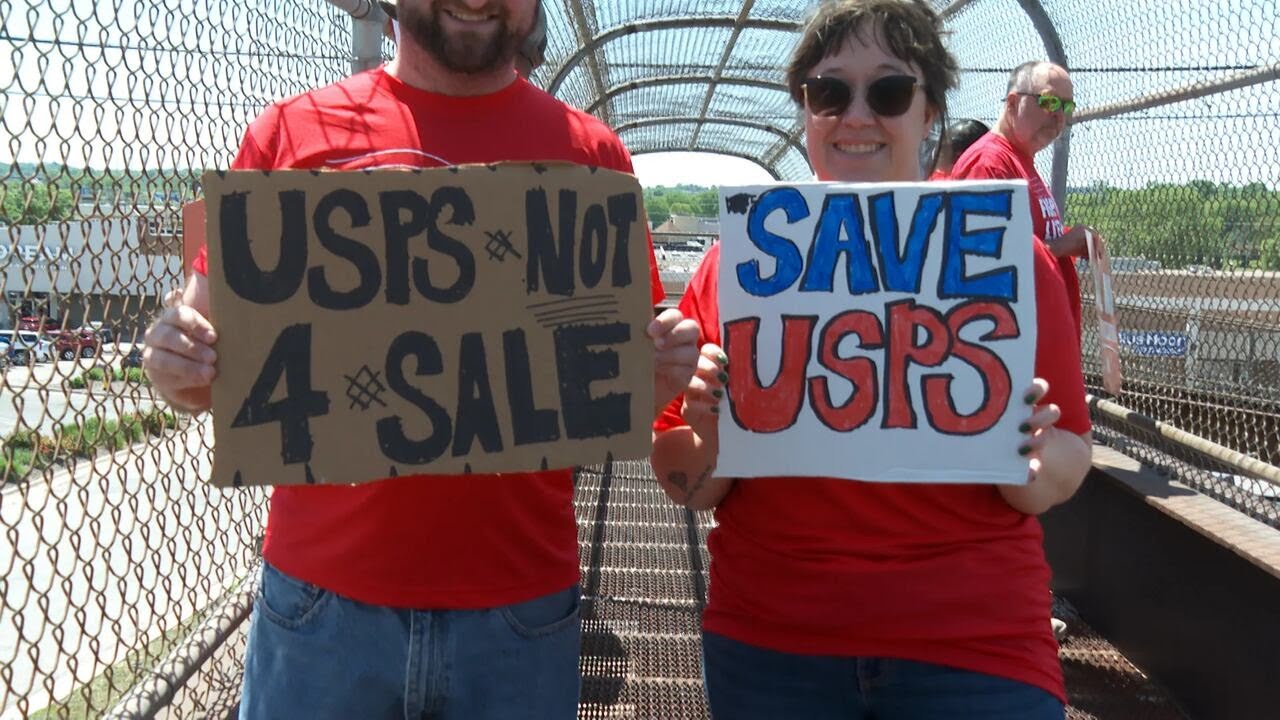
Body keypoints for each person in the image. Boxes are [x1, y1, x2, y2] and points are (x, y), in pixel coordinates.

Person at [143, 1, 701, 718]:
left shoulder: (593, 158)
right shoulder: (287, 133)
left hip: (521, 610)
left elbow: (624, 385)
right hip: (321, 607)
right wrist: (173, 363)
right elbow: (199, 366)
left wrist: (659, 375)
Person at [650, 1, 1094, 718]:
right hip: (774, 646)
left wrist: (1034, 469)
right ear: (804, 111)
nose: (855, 115)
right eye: (829, 93)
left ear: (930, 113)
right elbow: (689, 484)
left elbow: (1072, 448)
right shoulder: (739, 265)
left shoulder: (1007, 258)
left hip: (975, 647)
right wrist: (708, 435)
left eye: (888, 92)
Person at [950, 60, 1103, 335]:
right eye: (1049, 102)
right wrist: (1065, 244)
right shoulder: (989, 163)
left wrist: (1070, 240)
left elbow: (1025, 237)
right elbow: (983, 266)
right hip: (1014, 350)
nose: (1059, 116)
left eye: (1067, 107)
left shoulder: (1020, 160)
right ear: (1012, 103)